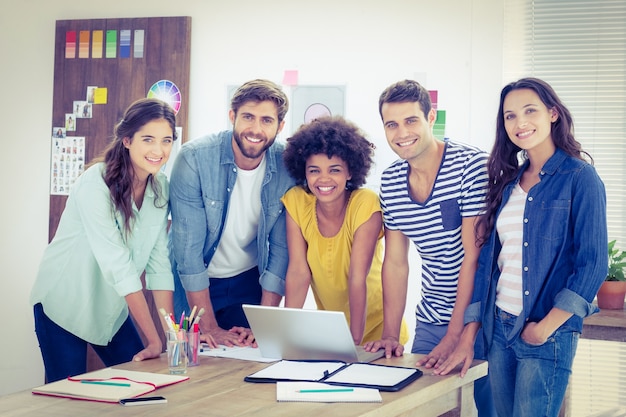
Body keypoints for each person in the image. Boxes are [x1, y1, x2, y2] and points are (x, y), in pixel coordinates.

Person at [435, 77, 608, 417]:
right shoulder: (508, 182)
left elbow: (593, 264)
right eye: (510, 116)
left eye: (530, 111)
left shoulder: (580, 178)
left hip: (546, 330)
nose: (520, 123)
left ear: (553, 114)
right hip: (498, 328)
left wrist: (545, 327)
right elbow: (489, 267)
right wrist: (470, 335)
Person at [363, 79, 495, 416]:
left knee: (489, 410)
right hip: (432, 319)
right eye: (391, 124)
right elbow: (395, 263)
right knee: (423, 408)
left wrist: (456, 333)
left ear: (430, 117)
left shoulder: (471, 166)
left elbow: (473, 258)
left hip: (480, 320)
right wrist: (391, 334)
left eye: (411, 121)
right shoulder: (391, 182)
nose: (401, 132)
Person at [30, 98, 177, 383]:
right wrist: (153, 340)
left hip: (110, 311)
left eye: (166, 140)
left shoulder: (160, 188)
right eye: (148, 139)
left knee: (143, 386)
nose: (158, 150)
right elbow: (119, 267)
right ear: (127, 140)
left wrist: (172, 339)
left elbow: (160, 267)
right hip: (64, 306)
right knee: (66, 400)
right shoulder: (94, 183)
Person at [169, 79, 294, 348]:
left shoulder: (287, 165)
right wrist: (210, 326)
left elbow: (281, 250)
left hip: (248, 281)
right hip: (194, 282)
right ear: (232, 116)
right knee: (193, 363)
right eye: (248, 117)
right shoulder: (194, 159)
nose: (256, 129)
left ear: (280, 126)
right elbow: (188, 252)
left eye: (267, 120)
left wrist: (267, 324)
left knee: (249, 358)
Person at [281, 116, 409, 345]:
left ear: (350, 172)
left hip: (377, 333)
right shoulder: (296, 202)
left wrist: (354, 343)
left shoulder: (365, 204)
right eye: (314, 171)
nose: (324, 179)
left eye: (335, 170)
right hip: (335, 333)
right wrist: (286, 336)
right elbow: (298, 272)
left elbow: (357, 278)